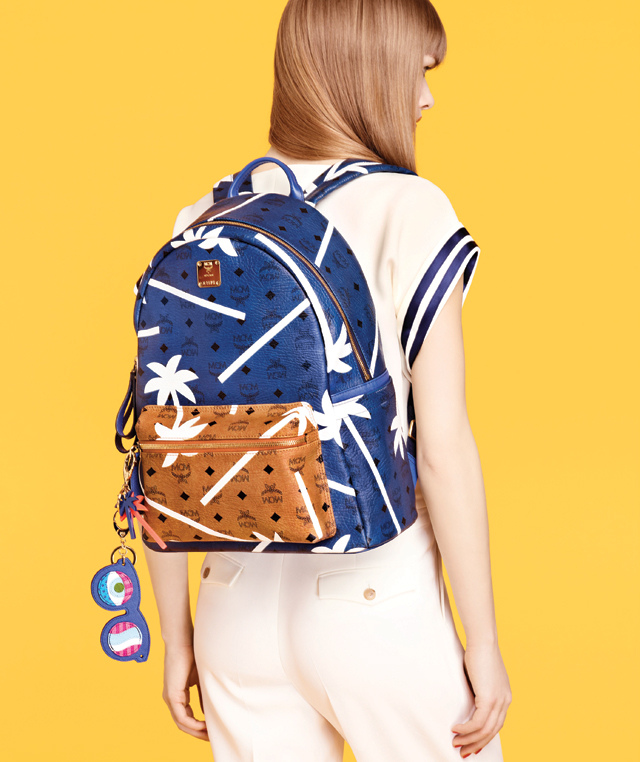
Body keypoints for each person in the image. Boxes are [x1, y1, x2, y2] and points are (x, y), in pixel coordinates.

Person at [141, 0, 512, 759]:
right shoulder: (410, 207)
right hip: (375, 600)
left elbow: (167, 440)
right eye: (417, 72)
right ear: (367, 74)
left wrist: (177, 636)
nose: (426, 98)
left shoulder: (204, 217)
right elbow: (442, 449)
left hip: (232, 607)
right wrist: (482, 643)